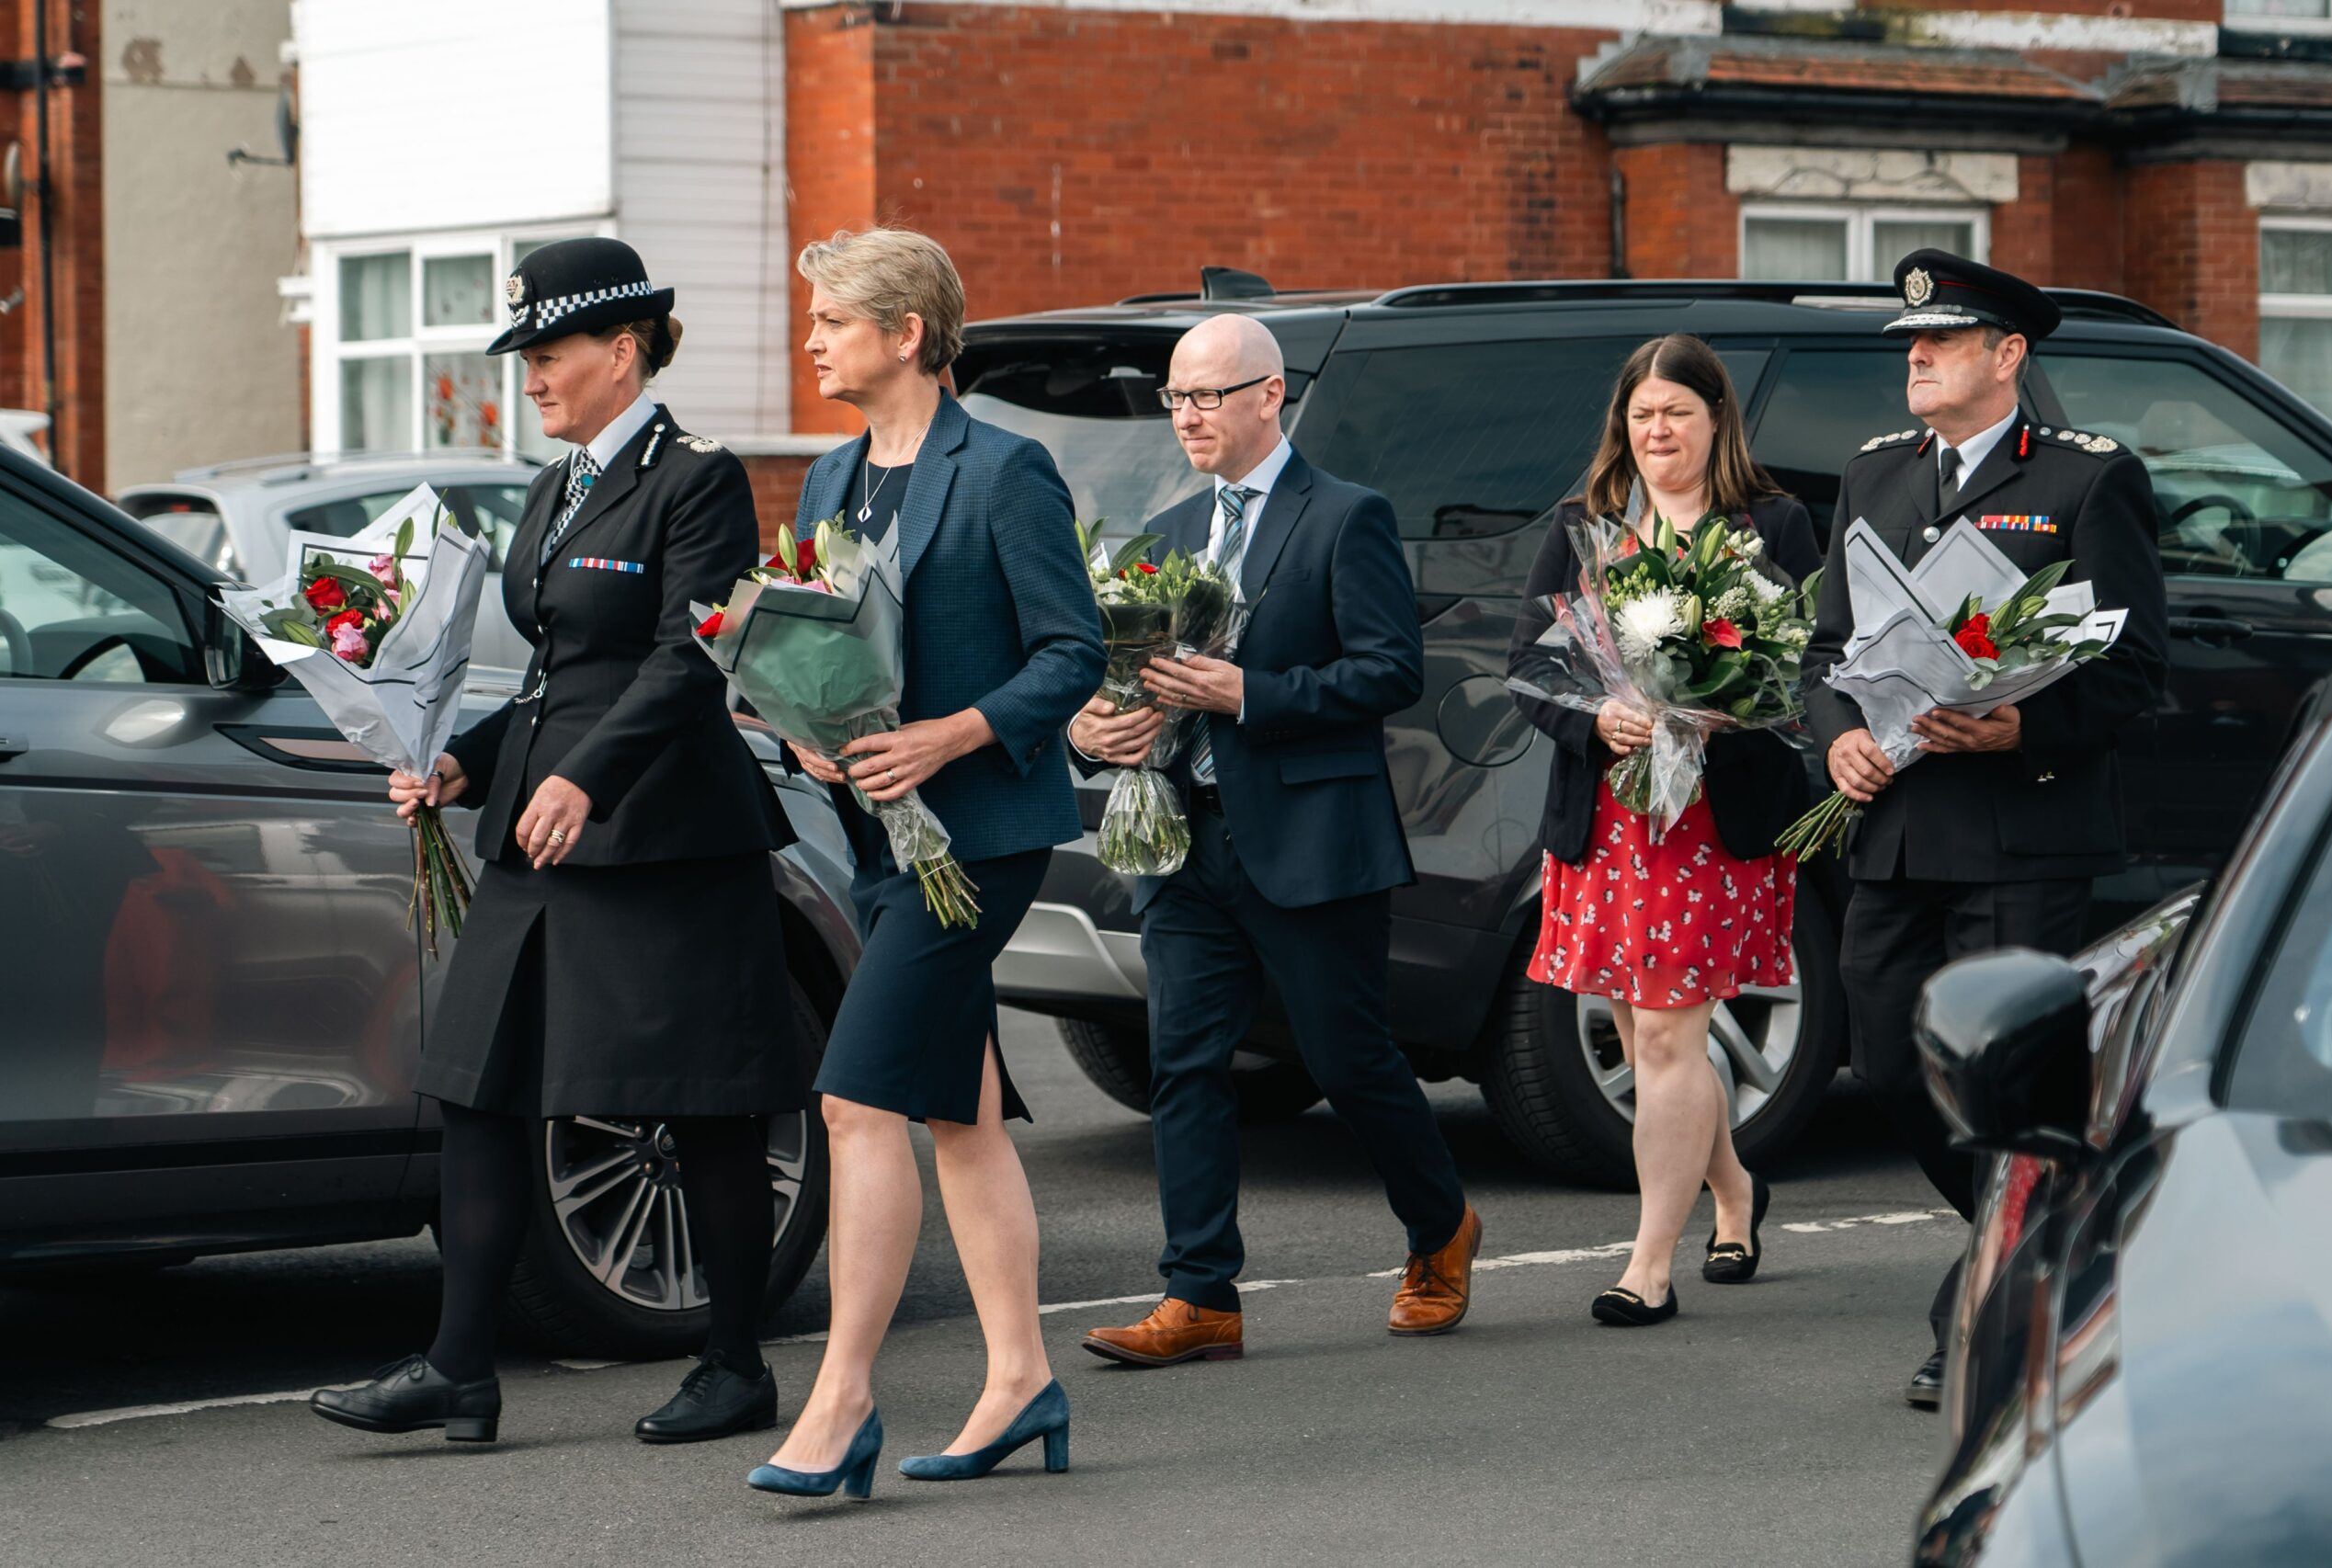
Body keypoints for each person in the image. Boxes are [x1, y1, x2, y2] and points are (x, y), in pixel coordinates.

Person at [310, 237, 803, 1446]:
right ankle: (460, 1370)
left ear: (621, 349)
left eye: (548, 350)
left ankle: (736, 1364)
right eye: (522, 352)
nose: (528, 373)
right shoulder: (554, 486)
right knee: (475, 1091)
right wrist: (458, 761)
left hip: (661, 840)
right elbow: (551, 669)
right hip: (542, 831)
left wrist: (588, 774)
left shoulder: (699, 477)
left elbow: (690, 655)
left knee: (701, 1108)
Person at [751, 228, 1105, 1501]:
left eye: (834, 319)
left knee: (855, 1100)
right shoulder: (826, 483)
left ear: (908, 332)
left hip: (986, 836)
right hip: (880, 840)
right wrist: (814, 731)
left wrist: (952, 732)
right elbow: (822, 654)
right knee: (956, 1113)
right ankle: (1021, 1377)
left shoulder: (1008, 472)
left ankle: (841, 1398)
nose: (813, 341)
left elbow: (1072, 653)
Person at [1069, 313, 1480, 1369]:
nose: (1187, 416)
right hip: (1183, 837)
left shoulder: (1346, 515)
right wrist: (1103, 724)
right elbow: (1121, 674)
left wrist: (1254, 692)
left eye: (1207, 396)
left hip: (1309, 835)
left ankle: (1440, 1227)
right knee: (1185, 1064)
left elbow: (1389, 670)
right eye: (1175, 398)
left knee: (1349, 1058)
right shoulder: (1161, 530)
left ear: (1269, 395)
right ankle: (1198, 1292)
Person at [1801, 251, 2167, 1406]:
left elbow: (2133, 665)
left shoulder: (2084, 480)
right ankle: (2054, 1241)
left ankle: (1993, 1298)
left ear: (2006, 357)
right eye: (1910, 345)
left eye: (1941, 343)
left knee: (2004, 1074)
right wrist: (1834, 738)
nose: (1913, 358)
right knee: (1883, 1053)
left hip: (2021, 826)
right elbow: (1825, 652)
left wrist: (2023, 726)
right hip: (1900, 823)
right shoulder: (1872, 477)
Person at [1508, 334, 1819, 1327]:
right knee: (1642, 1036)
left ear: (1716, 420)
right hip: (1609, 810)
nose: (1656, 431)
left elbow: (1810, 664)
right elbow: (1531, 665)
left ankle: (1647, 1261)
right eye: (1641, 415)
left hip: (1710, 817)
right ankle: (1731, 1187)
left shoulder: (1772, 524)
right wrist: (1597, 718)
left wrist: (1733, 705)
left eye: (1675, 413)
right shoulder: (1585, 524)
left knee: (1674, 1030)